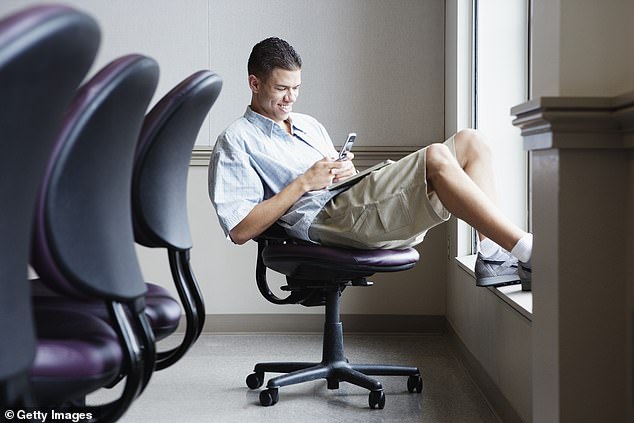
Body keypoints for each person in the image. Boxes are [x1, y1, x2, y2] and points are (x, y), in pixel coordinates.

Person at [208, 37, 532, 290]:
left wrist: (344, 171)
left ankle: (491, 257)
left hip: (349, 201)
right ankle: (529, 251)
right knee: (435, 156)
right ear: (254, 83)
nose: (290, 98)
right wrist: (304, 182)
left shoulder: (308, 124)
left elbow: (333, 183)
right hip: (326, 220)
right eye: (281, 88)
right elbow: (239, 230)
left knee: (471, 141)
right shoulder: (236, 140)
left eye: (296, 88)